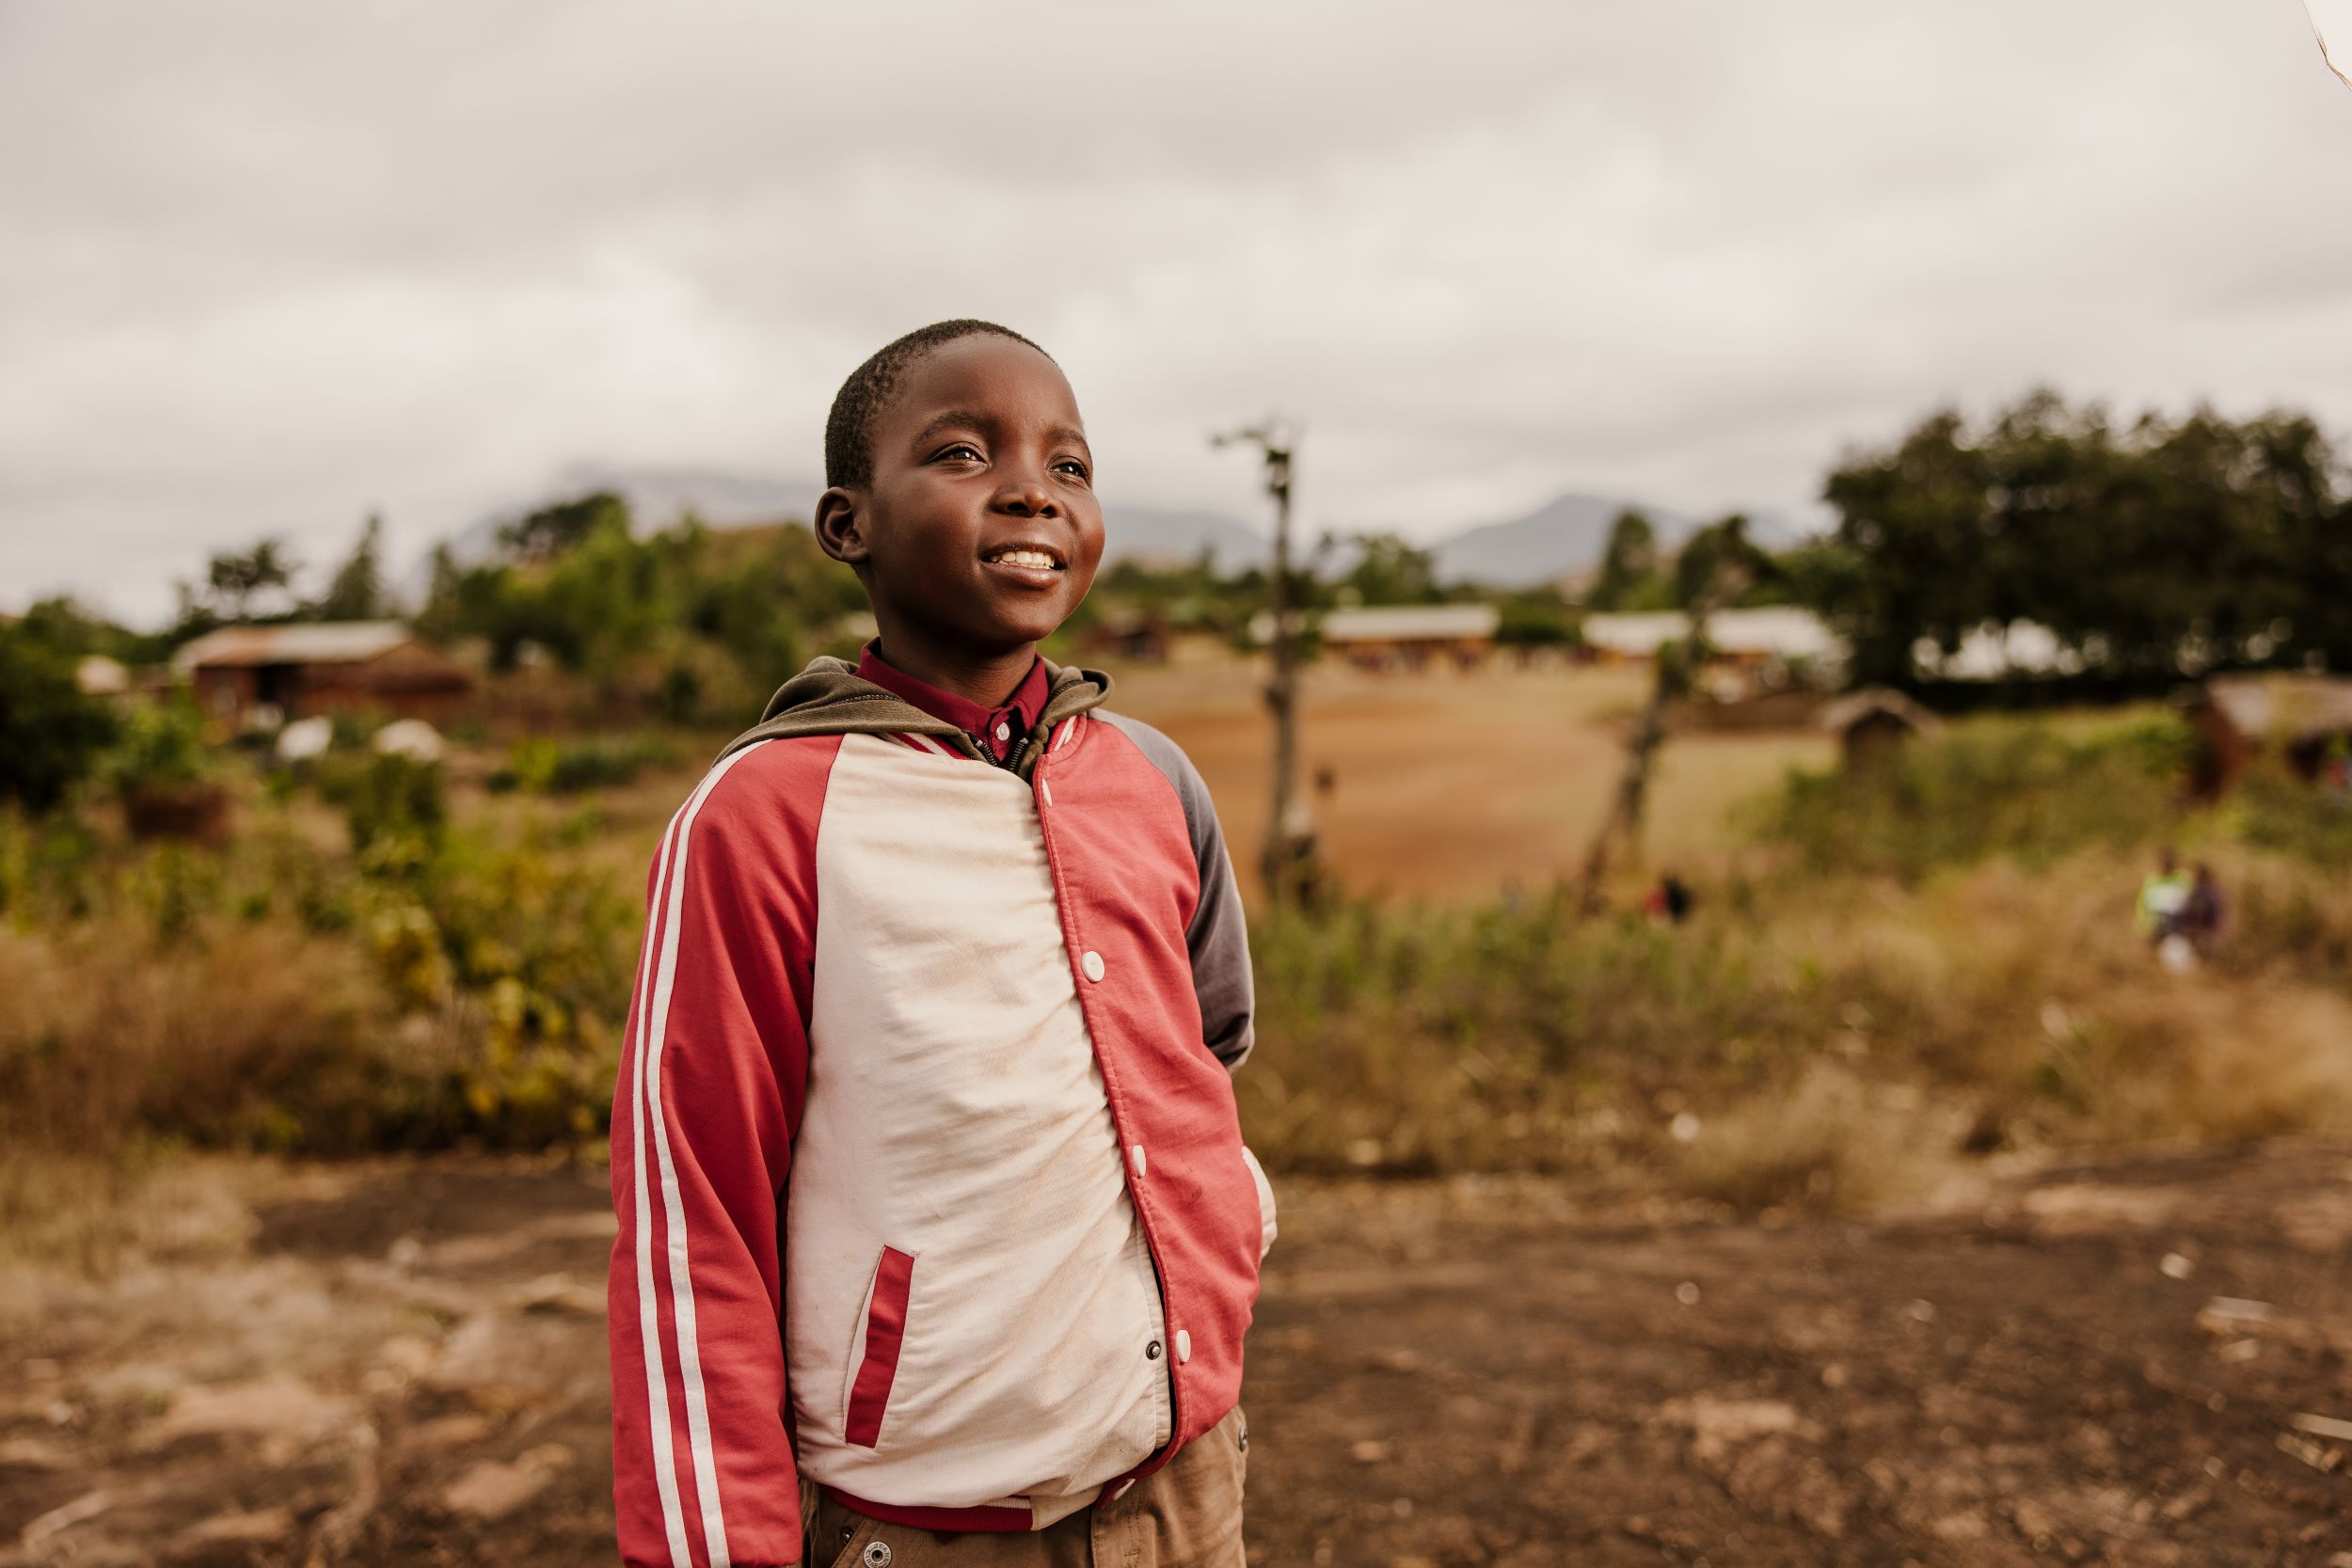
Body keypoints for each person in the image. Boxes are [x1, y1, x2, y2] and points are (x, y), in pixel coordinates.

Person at [606, 321, 1272, 1568]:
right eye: (966, 453)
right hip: (927, 1529)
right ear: (847, 524)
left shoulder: (1153, 779)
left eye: (1069, 467)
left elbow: (1205, 1051)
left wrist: (1228, 1234)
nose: (1033, 488)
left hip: (1177, 1489)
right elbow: (697, 1223)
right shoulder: (763, 820)